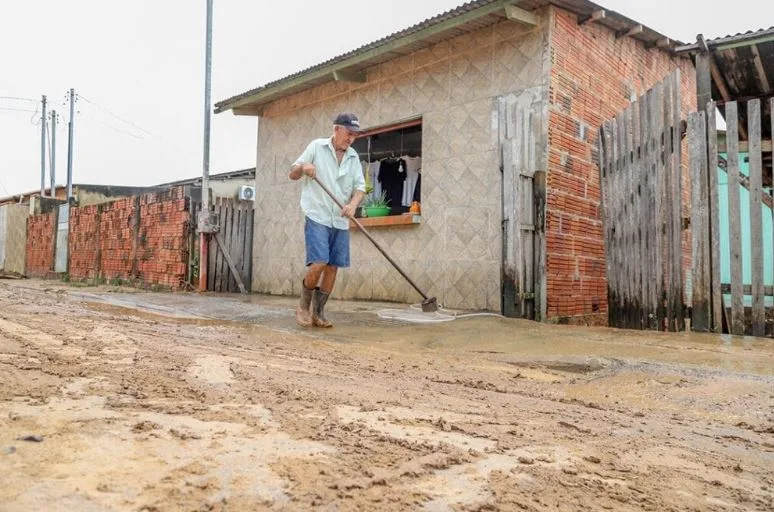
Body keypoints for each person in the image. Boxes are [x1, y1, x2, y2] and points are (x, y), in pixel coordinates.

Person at [288, 113, 366, 328]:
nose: (350, 138)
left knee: (333, 267)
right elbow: (292, 174)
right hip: (318, 214)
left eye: (354, 135)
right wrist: (304, 167)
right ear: (336, 129)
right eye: (348, 133)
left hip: (340, 219)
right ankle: (303, 306)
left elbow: (360, 187)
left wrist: (352, 205)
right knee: (320, 261)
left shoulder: (353, 157)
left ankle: (319, 312)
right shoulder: (316, 147)